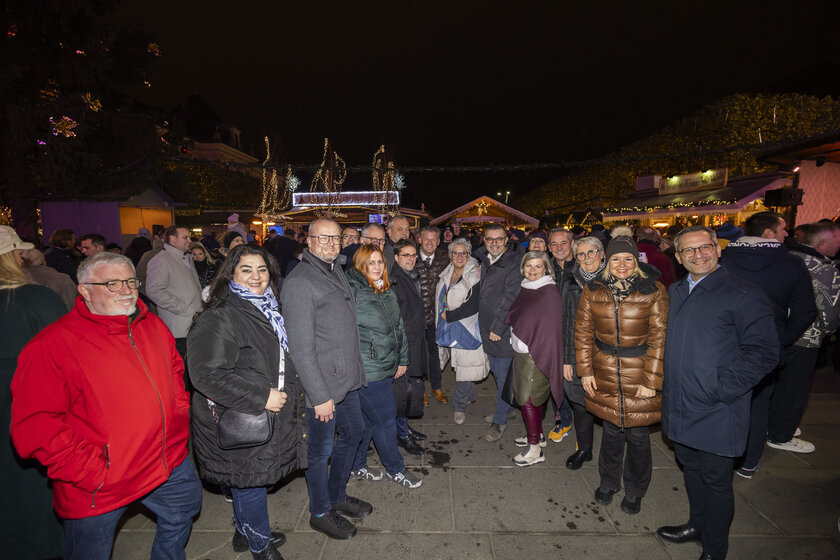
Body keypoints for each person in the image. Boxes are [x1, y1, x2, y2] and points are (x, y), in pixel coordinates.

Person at [11, 252, 201, 560]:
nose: (125, 290)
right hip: (101, 483)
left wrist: (179, 415)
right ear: (84, 290)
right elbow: (34, 426)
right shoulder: (52, 345)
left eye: (129, 281)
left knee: (184, 510)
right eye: (111, 284)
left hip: (166, 461)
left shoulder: (151, 325)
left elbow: (175, 372)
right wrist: (94, 472)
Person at [657, 226, 779, 560]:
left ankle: (714, 549)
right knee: (690, 470)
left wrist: (722, 388)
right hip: (680, 403)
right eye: (689, 251)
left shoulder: (744, 293)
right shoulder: (678, 290)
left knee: (716, 482)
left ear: (718, 249)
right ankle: (696, 525)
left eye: (705, 247)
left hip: (716, 408)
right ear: (678, 257)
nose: (699, 255)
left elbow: (765, 353)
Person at [188, 245, 305, 560]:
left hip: (257, 414)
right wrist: (262, 396)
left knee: (247, 481)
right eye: (246, 270)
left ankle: (245, 532)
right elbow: (205, 375)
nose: (256, 277)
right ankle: (259, 545)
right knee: (249, 483)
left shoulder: (267, 308)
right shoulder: (221, 315)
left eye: (262, 270)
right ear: (231, 275)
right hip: (237, 414)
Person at [280, 218, 369, 540]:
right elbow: (300, 348)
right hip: (323, 387)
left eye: (336, 238)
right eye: (324, 238)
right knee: (319, 452)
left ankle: (336, 495)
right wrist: (318, 395)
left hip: (345, 380)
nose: (331, 243)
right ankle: (319, 511)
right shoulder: (300, 282)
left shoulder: (334, 270)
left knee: (354, 433)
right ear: (309, 241)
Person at [575, 236, 668, 515]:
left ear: (636, 261)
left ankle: (636, 489)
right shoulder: (593, 289)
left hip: (639, 371)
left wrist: (651, 381)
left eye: (628, 258)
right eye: (616, 259)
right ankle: (609, 481)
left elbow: (660, 337)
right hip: (603, 369)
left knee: (638, 435)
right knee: (612, 431)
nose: (622, 264)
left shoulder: (653, 290)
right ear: (607, 261)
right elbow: (582, 333)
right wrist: (585, 371)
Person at [721, 211, 816, 477]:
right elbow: (806, 311)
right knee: (758, 404)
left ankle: (723, 459)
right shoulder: (791, 264)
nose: (788, 233)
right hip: (766, 345)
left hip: (725, 343)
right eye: (783, 228)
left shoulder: (724, 259)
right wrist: (780, 340)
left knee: (725, 403)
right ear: (768, 233)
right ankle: (749, 463)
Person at [0, 227, 66, 559]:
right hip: (30, 412)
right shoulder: (36, 298)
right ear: (13, 255)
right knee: (32, 496)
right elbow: (67, 359)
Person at [346, 244, 422, 488]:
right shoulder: (353, 292)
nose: (377, 267)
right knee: (386, 419)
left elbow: (398, 327)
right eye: (371, 262)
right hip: (369, 370)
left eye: (380, 262)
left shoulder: (384, 289)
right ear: (360, 265)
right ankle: (395, 469)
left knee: (369, 421)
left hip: (387, 365)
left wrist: (402, 359)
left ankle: (356, 465)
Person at [767, 223, 840, 453]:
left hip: (775, 332)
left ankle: (772, 424)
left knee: (774, 384)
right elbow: (830, 311)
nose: (839, 245)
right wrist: (828, 331)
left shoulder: (785, 258)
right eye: (836, 240)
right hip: (806, 337)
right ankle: (781, 434)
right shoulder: (823, 268)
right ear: (821, 244)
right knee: (795, 389)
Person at [504, 250, 565, 466]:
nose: (532, 270)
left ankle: (535, 450)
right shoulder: (527, 287)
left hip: (536, 353)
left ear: (546, 268)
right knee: (528, 397)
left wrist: (536, 350)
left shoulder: (548, 292)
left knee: (528, 399)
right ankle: (537, 435)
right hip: (523, 352)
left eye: (538, 266)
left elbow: (550, 330)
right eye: (529, 265)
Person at [475, 223, 524, 442]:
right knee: (497, 372)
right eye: (489, 239)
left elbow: (510, 299)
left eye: (498, 239)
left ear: (506, 240)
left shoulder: (513, 263)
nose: (494, 243)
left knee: (503, 376)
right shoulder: (485, 260)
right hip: (487, 327)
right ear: (484, 241)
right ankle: (509, 406)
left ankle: (500, 420)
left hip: (500, 329)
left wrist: (498, 327)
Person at [561, 236, 606, 470]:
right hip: (579, 353)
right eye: (581, 254)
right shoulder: (571, 281)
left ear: (601, 253)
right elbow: (568, 322)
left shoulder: (614, 279)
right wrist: (567, 360)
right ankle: (584, 449)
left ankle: (610, 459)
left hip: (608, 356)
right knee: (579, 404)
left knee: (609, 410)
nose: (587, 258)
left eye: (592, 252)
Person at [437, 238, 489, 424]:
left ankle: (459, 407)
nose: (459, 256)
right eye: (456, 253)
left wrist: (449, 316)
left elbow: (473, 304)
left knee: (463, 369)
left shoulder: (473, 274)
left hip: (466, 327)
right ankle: (470, 394)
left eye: (463, 253)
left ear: (469, 254)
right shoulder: (447, 272)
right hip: (448, 326)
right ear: (450, 255)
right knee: (462, 366)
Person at [146, 225, 203, 390]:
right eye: (185, 237)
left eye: (189, 237)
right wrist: (182, 308)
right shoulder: (161, 259)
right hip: (178, 326)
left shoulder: (186, 258)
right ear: (172, 239)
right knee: (180, 371)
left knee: (192, 367)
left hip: (193, 323)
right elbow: (154, 290)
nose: (189, 241)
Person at [389, 239, 428, 454]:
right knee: (402, 393)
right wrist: (400, 357)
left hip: (414, 341)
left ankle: (404, 428)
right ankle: (401, 435)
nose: (411, 259)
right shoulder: (394, 281)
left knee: (409, 391)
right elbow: (394, 323)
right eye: (406, 255)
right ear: (396, 257)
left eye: (414, 255)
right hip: (404, 347)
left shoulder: (411, 276)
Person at [417, 226, 450, 405]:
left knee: (435, 353)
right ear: (420, 240)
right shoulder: (410, 256)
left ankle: (436, 387)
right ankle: (420, 389)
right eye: (426, 239)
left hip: (437, 315)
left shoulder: (445, 257)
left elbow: (464, 261)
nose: (429, 243)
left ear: (438, 241)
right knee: (418, 354)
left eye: (433, 240)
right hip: (416, 315)